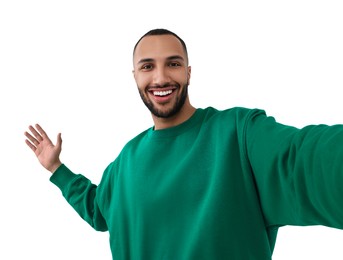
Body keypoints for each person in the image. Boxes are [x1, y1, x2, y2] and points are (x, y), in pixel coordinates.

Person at [24, 28, 343, 260]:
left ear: (188, 72)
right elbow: (99, 211)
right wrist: (57, 169)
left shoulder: (237, 135)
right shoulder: (125, 161)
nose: (161, 77)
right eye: (148, 66)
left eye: (173, 64)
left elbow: (307, 162)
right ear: (135, 76)